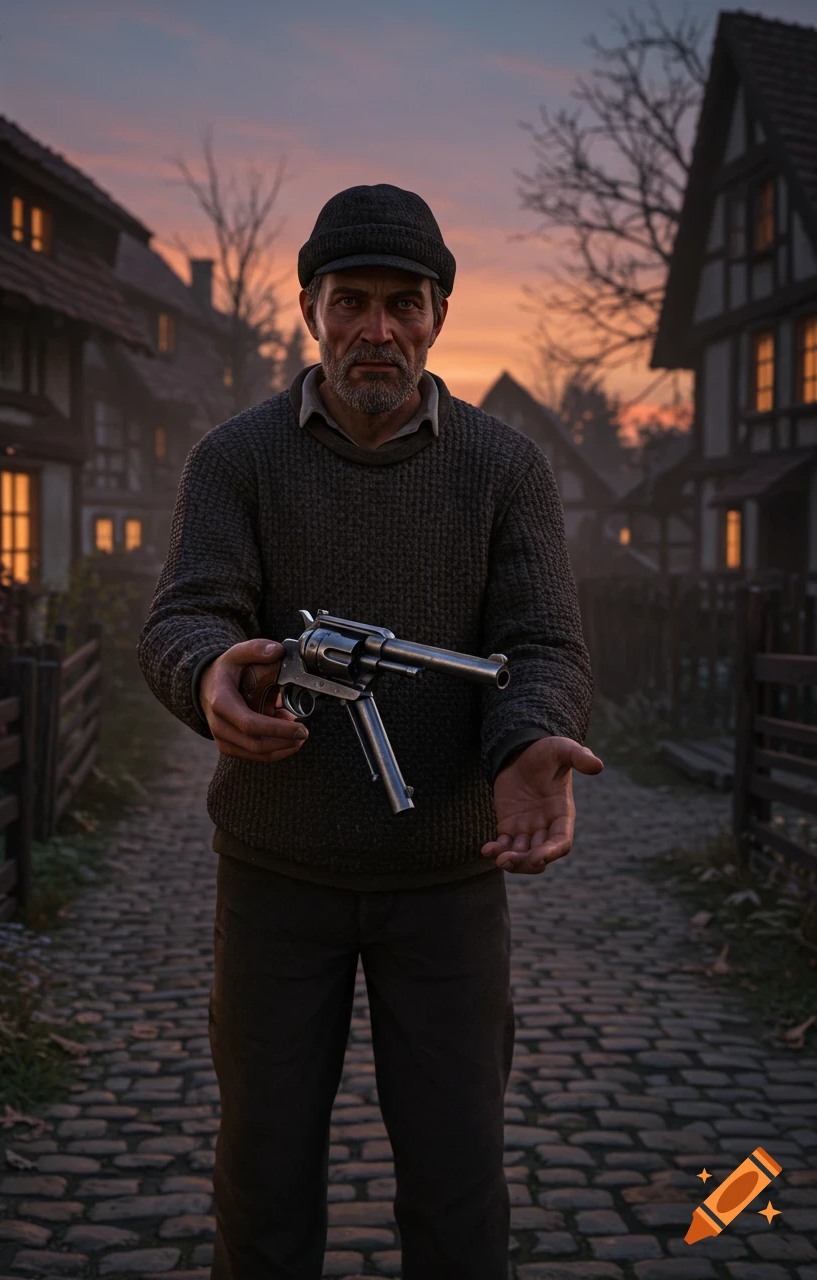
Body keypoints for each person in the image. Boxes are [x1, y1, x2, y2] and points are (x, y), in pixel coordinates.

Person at [138, 183, 602, 1280]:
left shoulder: (505, 468)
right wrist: (211, 674)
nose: (377, 330)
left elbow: (541, 642)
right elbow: (185, 612)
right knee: (262, 1167)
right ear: (309, 307)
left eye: (405, 303)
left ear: (440, 313)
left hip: (446, 882)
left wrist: (531, 736)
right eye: (353, 301)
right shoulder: (234, 459)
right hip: (273, 875)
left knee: (455, 1177)